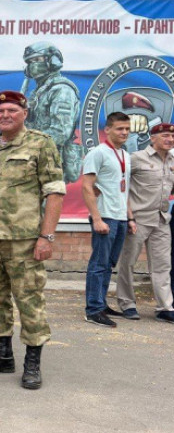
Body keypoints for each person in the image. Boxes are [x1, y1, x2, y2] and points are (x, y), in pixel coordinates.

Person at [0, 90, 65, 390]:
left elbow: (55, 191)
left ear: (24, 113)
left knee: (29, 301)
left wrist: (46, 236)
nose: (5, 115)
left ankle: (32, 363)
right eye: (0, 112)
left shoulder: (40, 143)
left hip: (23, 240)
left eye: (11, 110)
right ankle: (3, 356)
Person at [116, 123, 174, 323]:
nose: (170, 139)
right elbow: (121, 188)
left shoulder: (173, 160)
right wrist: (129, 216)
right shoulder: (137, 159)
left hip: (162, 219)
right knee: (128, 263)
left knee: (162, 266)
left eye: (172, 136)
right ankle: (127, 303)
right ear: (153, 138)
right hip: (138, 219)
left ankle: (165, 307)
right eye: (165, 135)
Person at [81, 112, 133, 327]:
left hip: (119, 217)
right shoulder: (98, 153)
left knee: (109, 263)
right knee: (99, 264)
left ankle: (101, 303)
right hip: (105, 217)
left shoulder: (125, 154)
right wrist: (97, 218)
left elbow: (124, 188)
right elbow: (86, 186)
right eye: (120, 128)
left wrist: (130, 218)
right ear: (108, 129)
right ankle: (93, 309)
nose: (124, 133)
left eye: (127, 129)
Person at [21, 42, 82, 183]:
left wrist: (27, 145)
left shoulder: (62, 90)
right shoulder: (39, 91)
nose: (32, 65)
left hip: (52, 163)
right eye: (30, 62)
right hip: (33, 161)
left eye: (37, 60)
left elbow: (61, 132)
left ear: (53, 61)